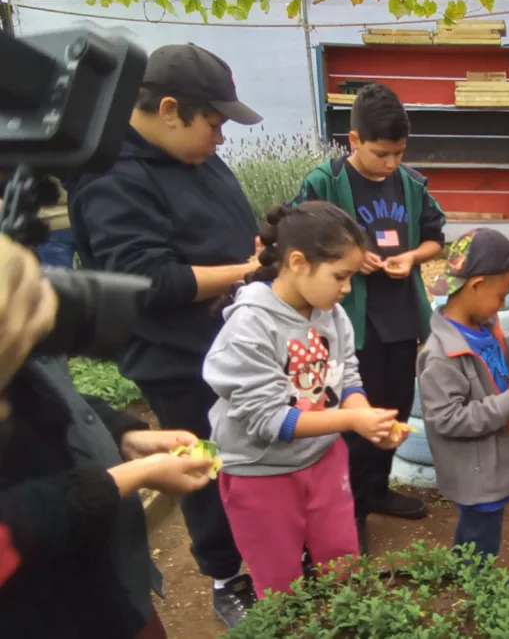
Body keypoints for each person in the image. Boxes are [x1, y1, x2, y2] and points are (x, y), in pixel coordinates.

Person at [68, 43, 263, 627]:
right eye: (216, 123)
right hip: (181, 361)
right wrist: (249, 271)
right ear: (171, 110)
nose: (221, 138)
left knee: (250, 452)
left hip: (232, 341)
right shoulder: (111, 179)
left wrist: (255, 249)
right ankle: (228, 575)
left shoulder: (192, 156)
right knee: (204, 465)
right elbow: (147, 281)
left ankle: (265, 544)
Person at [0, 234, 216, 639]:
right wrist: (128, 478)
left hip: (103, 581)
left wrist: (123, 436)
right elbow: (13, 523)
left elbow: (48, 392)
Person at [204, 202, 405, 598]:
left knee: (342, 559)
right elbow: (270, 421)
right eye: (341, 276)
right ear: (298, 262)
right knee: (279, 580)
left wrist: (368, 419)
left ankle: (344, 618)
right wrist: (351, 423)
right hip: (261, 472)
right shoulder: (250, 326)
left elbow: (347, 378)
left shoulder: (331, 313)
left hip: (323, 458)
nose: (347, 288)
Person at [294, 83, 445, 552]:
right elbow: (299, 242)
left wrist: (412, 257)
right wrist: (348, 257)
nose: (391, 163)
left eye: (399, 153)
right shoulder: (323, 183)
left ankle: (377, 491)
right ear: (354, 140)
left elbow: (435, 237)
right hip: (347, 322)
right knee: (353, 417)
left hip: (399, 317)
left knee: (393, 408)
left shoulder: (413, 183)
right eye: (382, 153)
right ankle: (352, 507)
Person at [417, 229, 509, 560]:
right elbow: (447, 419)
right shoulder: (440, 356)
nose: (504, 304)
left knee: (484, 528)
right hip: (477, 472)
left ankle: (472, 571)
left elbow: (506, 341)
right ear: (475, 286)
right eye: (502, 296)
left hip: (496, 459)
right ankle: (479, 585)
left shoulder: (482, 324)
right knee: (480, 532)